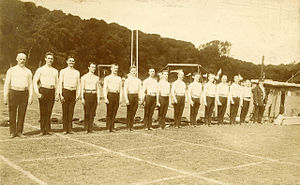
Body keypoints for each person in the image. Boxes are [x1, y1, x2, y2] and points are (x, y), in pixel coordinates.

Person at [4, 52, 33, 138]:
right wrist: (5, 96)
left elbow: (30, 84)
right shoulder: (11, 70)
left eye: (24, 59)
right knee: (12, 112)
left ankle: (20, 131)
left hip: (24, 93)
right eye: (21, 59)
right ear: (17, 59)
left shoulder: (28, 71)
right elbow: (6, 84)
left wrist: (30, 96)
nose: (22, 61)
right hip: (13, 92)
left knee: (22, 113)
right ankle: (12, 132)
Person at [33, 52, 59, 136]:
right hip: (43, 90)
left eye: (51, 58)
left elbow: (57, 83)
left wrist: (57, 94)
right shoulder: (40, 69)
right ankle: (42, 130)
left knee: (49, 111)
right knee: (43, 111)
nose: (50, 60)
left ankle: (48, 129)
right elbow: (34, 81)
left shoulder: (55, 71)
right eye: (48, 58)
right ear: (45, 59)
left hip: (51, 91)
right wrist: (37, 92)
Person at [59, 56, 80, 134]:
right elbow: (60, 83)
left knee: (71, 111)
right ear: (67, 62)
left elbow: (79, 84)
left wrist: (78, 94)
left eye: (73, 61)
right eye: (70, 61)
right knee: (65, 111)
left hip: (73, 92)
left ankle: (70, 129)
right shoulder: (63, 71)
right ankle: (65, 129)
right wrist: (60, 94)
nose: (71, 62)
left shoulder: (77, 72)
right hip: (65, 91)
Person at [81, 62, 100, 133]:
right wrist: (82, 98)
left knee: (92, 113)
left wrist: (98, 98)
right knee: (87, 112)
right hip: (87, 94)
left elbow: (98, 88)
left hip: (94, 95)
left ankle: (91, 128)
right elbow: (82, 88)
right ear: (88, 67)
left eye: (94, 67)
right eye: (92, 67)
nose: (93, 69)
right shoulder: (84, 77)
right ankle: (86, 128)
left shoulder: (96, 78)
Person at [103, 63, 122, 132]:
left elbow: (121, 89)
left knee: (114, 112)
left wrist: (120, 98)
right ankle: (108, 127)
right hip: (110, 94)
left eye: (116, 68)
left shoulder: (119, 78)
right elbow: (105, 88)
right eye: (114, 68)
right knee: (109, 112)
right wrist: (105, 97)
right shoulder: (107, 78)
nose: (115, 70)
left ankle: (112, 127)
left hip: (117, 95)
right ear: (111, 69)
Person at [124, 65, 142, 132]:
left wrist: (140, 98)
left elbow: (140, 89)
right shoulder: (127, 80)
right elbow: (125, 90)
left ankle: (131, 125)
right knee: (129, 111)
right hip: (130, 95)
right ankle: (128, 126)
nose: (134, 72)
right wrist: (126, 99)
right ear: (130, 72)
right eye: (132, 71)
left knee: (134, 111)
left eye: (135, 71)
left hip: (136, 96)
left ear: (136, 72)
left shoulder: (138, 80)